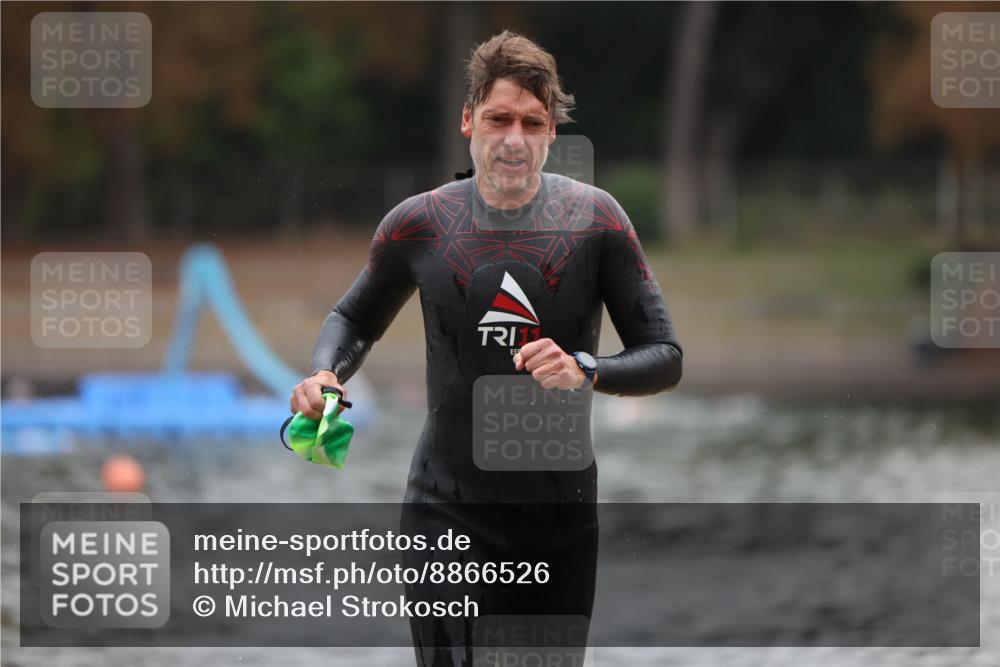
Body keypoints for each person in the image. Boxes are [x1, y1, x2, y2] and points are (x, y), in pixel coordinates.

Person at [290, 30, 682, 667]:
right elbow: (352, 317)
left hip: (560, 524)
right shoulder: (418, 224)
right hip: (447, 512)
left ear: (552, 133)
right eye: (499, 119)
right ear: (468, 120)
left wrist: (585, 369)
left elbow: (664, 355)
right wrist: (324, 374)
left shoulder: (597, 222)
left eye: (532, 123)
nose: (514, 139)